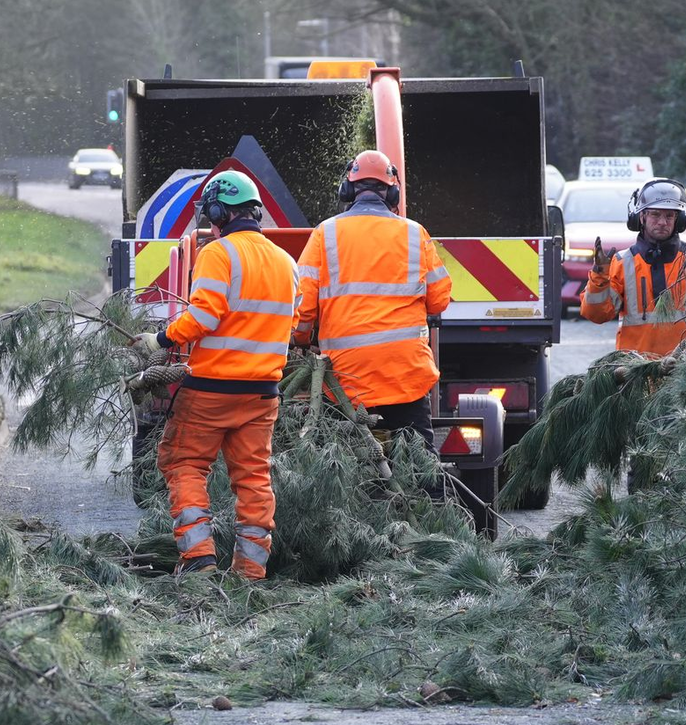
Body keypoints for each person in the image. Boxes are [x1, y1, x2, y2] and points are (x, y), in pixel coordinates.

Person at [135, 170, 298, 579]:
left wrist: (159, 340)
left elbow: (203, 316)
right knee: (254, 479)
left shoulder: (218, 253)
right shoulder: (286, 263)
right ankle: (250, 574)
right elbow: (291, 327)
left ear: (217, 211)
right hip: (263, 394)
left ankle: (199, 560)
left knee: (184, 464)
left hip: (210, 389)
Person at [293, 149, 452, 447]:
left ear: (349, 190)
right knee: (419, 465)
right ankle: (426, 495)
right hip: (405, 374)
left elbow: (302, 306)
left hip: (345, 380)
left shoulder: (324, 234)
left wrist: (302, 339)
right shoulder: (415, 234)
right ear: (392, 193)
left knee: (341, 464)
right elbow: (440, 299)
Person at [582, 177, 686, 357]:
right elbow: (597, 315)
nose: (662, 222)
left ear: (679, 220)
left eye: (669, 216)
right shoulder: (623, 262)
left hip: (685, 369)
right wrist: (599, 275)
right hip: (634, 370)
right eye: (655, 214)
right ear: (641, 217)